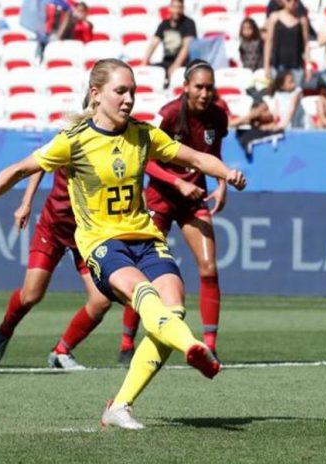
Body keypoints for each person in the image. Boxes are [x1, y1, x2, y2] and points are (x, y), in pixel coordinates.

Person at [0, 58, 246, 429]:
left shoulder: (143, 134)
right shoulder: (74, 140)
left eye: (132, 92)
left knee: (173, 311)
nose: (129, 99)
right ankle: (192, 347)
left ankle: (120, 406)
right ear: (96, 94)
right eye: (120, 91)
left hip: (145, 237)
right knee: (144, 297)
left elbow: (194, 157)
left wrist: (227, 173)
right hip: (103, 243)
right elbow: (19, 170)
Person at [119, 60, 228, 363]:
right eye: (199, 87)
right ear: (186, 87)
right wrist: (177, 182)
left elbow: (214, 155)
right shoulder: (167, 114)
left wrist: (222, 184)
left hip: (193, 199)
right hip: (161, 199)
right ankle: (126, 342)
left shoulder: (217, 115)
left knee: (208, 267)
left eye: (209, 88)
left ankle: (210, 344)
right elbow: (145, 158)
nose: (205, 93)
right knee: (142, 273)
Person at [0, 168, 117, 370]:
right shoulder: (69, 146)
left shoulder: (114, 151)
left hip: (89, 233)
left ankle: (61, 352)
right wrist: (26, 202)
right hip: (54, 227)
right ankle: (5, 331)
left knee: (101, 301)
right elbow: (37, 163)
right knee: (31, 295)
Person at [142, 0, 197, 79]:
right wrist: (143, 64)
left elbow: (186, 47)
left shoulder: (189, 23)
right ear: (169, 8)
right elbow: (153, 45)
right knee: (150, 72)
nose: (177, 10)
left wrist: (176, 66)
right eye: (174, 7)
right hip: (166, 62)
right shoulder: (164, 24)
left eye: (179, 7)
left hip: (183, 64)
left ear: (183, 9)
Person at [263, 0, 311, 88]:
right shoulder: (274, 17)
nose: (292, 3)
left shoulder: (302, 20)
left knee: (295, 92)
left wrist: (308, 67)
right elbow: (269, 42)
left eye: (295, 1)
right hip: (277, 65)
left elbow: (306, 44)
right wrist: (266, 66)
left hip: (296, 66)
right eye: (289, 0)